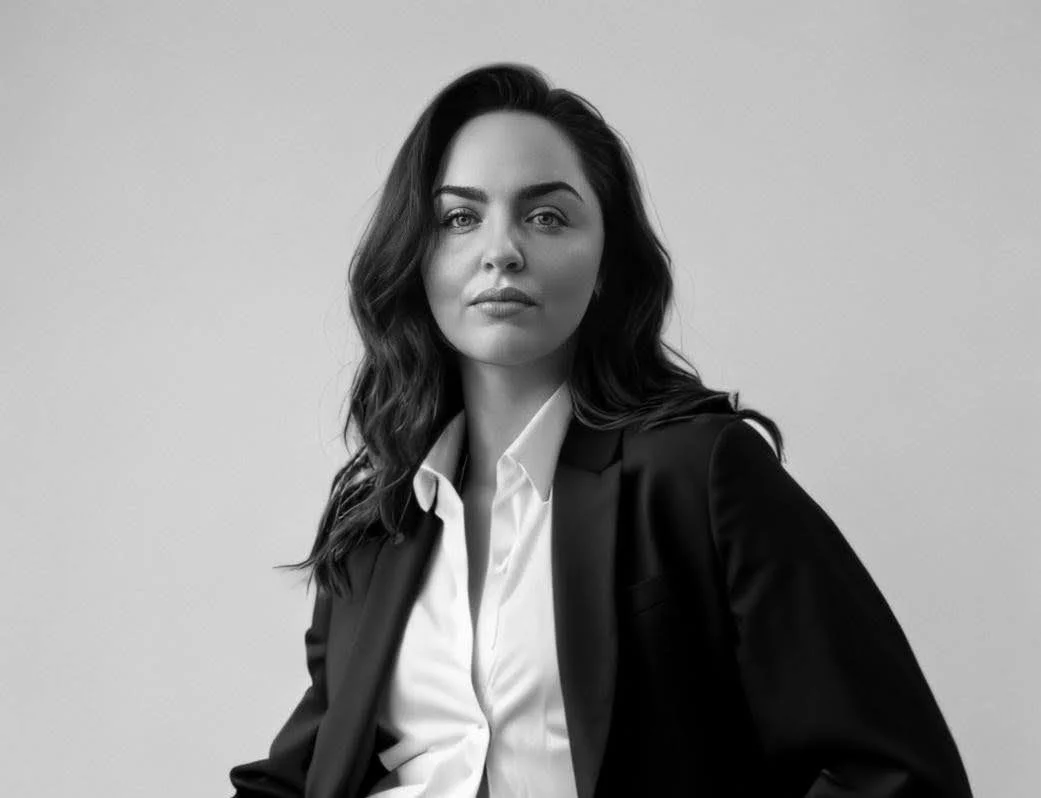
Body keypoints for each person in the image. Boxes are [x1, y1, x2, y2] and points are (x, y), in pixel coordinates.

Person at [228, 63, 973, 798]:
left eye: (545, 215)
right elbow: (306, 771)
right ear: (415, 259)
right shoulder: (375, 525)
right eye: (458, 217)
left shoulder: (699, 473)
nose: (501, 249)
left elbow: (894, 774)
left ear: (609, 261)